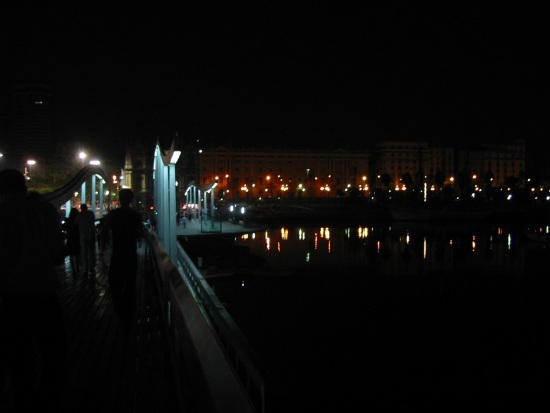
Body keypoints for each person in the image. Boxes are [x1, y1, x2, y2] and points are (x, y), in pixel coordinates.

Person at [0, 168, 67, 412]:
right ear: (24, 187)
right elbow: (58, 254)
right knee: (52, 351)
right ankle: (47, 401)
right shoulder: (44, 211)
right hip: (43, 290)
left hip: (10, 295)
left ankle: (21, 398)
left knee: (18, 354)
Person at [101, 189, 144, 336]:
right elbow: (141, 233)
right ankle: (129, 315)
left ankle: (119, 309)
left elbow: (105, 232)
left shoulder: (113, 215)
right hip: (130, 252)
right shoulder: (135, 215)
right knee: (131, 283)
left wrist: (101, 249)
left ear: (119, 198)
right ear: (131, 199)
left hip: (117, 253)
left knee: (115, 282)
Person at [76, 202, 96, 276]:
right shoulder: (90, 213)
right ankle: (92, 267)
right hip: (91, 234)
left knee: (84, 252)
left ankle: (85, 268)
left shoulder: (79, 215)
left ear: (81, 208)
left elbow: (75, 224)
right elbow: (93, 222)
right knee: (91, 251)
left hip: (83, 235)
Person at [63, 207, 81, 274]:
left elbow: (65, 228)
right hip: (76, 238)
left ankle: (73, 269)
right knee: (77, 255)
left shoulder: (68, 221)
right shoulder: (78, 221)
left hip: (70, 239)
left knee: (71, 255)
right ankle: (77, 268)